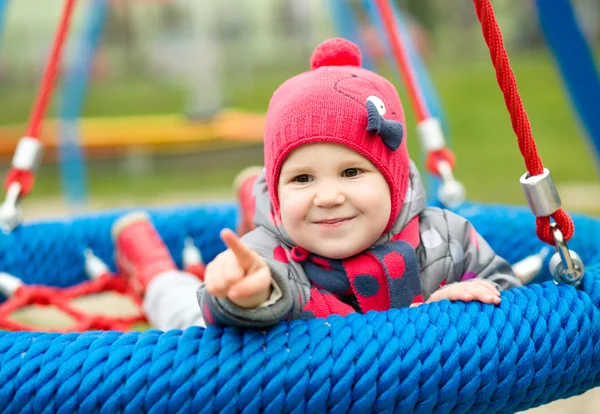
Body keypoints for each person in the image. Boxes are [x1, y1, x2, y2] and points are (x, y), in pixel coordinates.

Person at [113, 38, 521, 331]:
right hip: (242, 325)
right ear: (277, 192)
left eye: (351, 172)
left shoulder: (446, 237)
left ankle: (250, 200)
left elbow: (509, 292)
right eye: (302, 178)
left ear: (394, 179)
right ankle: (150, 266)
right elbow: (225, 306)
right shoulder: (271, 254)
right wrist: (250, 295)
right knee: (184, 320)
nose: (328, 197)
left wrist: (467, 296)